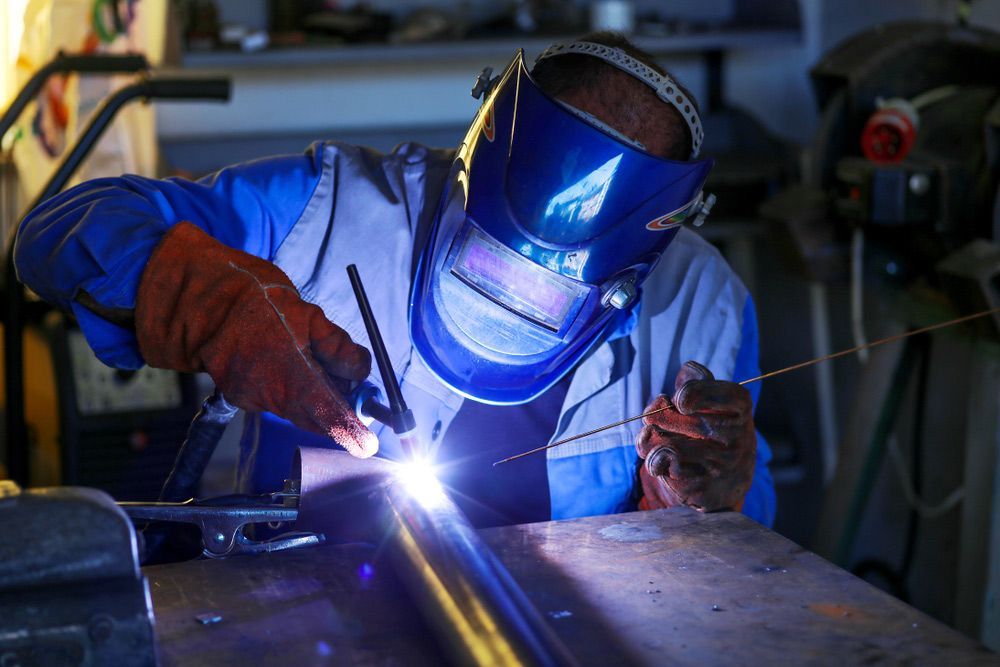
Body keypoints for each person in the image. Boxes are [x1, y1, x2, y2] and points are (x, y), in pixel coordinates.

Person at [14, 32, 775, 527]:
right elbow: (53, 233)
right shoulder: (331, 209)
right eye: (490, 265)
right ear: (473, 178)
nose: (512, 301)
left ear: (630, 271)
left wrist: (704, 499)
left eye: (547, 296)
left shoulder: (702, 313)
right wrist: (217, 304)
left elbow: (744, 556)